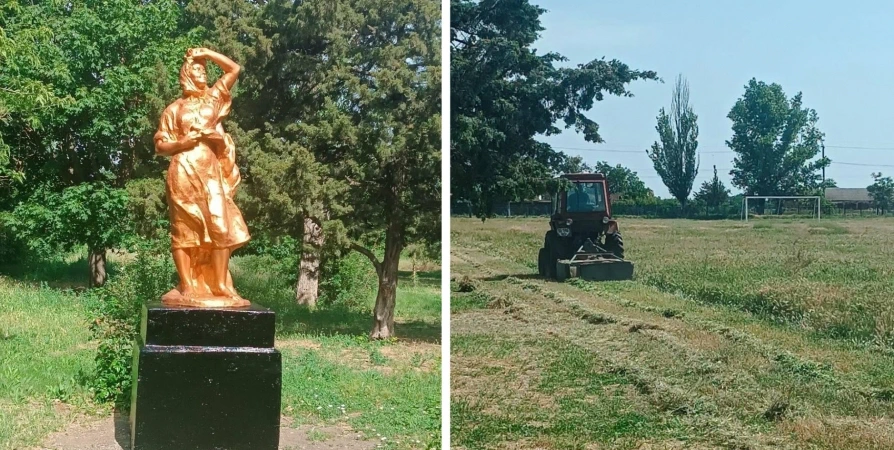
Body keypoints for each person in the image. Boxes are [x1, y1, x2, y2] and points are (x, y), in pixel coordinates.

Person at [155, 47, 250, 307]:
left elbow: (234, 69)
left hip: (210, 174)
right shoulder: (174, 109)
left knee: (222, 226)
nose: (202, 74)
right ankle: (187, 284)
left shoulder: (213, 98)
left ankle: (219, 284)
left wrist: (207, 53)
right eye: (197, 69)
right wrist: (182, 142)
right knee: (184, 229)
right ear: (186, 73)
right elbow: (160, 146)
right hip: (183, 171)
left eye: (204, 70)